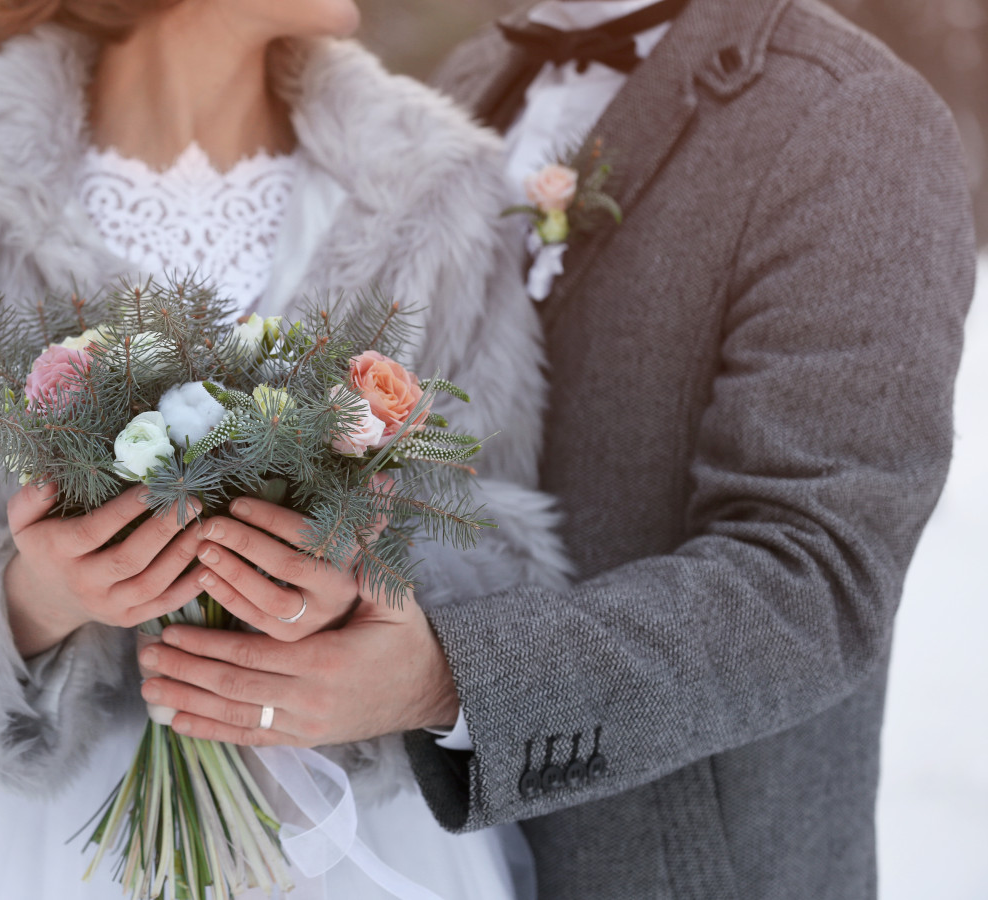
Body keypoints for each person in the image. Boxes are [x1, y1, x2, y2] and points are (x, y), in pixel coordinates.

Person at [135, 0, 979, 897]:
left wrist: (445, 679)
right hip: (428, 853)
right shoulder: (475, 78)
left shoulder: (852, 120)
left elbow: (814, 581)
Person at [0, 1, 573, 898]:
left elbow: (502, 539)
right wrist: (34, 599)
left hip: (353, 839)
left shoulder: (443, 186)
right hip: (63, 846)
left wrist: (359, 612)